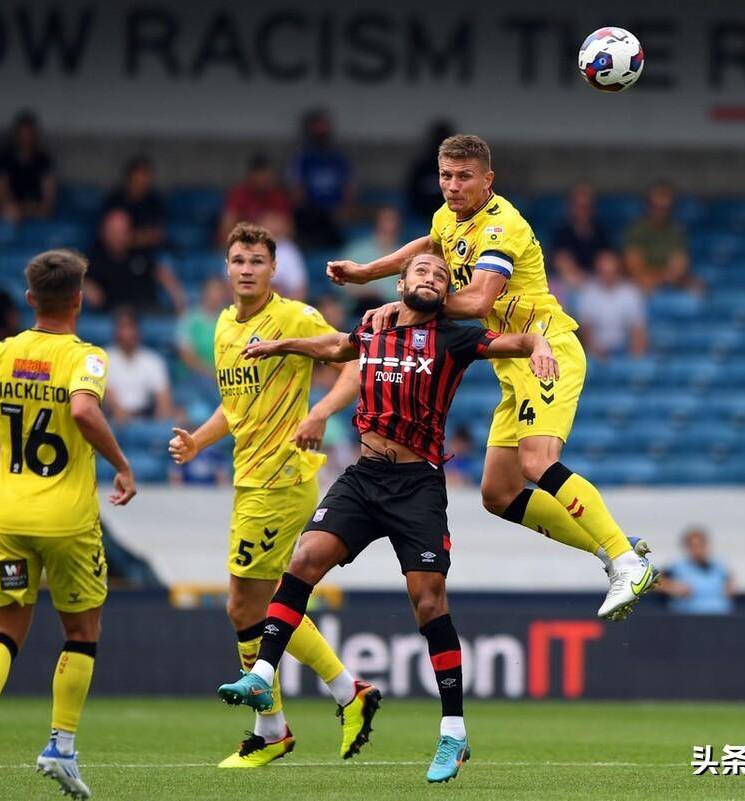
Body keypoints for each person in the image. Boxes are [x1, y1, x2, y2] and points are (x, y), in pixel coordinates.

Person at [214, 252, 559, 783]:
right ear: (401, 283)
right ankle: (262, 672)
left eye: (440, 276)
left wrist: (539, 346)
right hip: (364, 476)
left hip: (417, 485)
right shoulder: (373, 327)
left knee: (428, 604)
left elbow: (513, 342)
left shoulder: (455, 338)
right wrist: (281, 345)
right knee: (304, 560)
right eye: (421, 271)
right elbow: (334, 347)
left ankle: (454, 735)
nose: (430, 277)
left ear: (445, 294)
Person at [326, 134, 657, 621]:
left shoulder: (503, 225)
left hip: (545, 349)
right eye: (445, 176)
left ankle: (627, 562)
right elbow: (431, 245)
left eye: (464, 177)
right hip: (511, 366)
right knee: (498, 495)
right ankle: (611, 545)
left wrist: (403, 304)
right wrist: (367, 272)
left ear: (488, 180)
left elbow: (479, 301)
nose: (453, 186)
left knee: (537, 462)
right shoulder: (447, 216)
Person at [167, 222, 375, 768]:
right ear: (226, 267)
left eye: (257, 261)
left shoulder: (294, 318)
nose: (246, 269)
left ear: (273, 269)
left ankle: (270, 729)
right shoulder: (221, 328)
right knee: (265, 605)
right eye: (238, 260)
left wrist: (319, 413)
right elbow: (232, 409)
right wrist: (197, 440)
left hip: (282, 479)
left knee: (242, 603)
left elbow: (354, 362)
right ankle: (348, 693)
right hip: (249, 479)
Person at [0, 248, 137, 799]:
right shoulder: (85, 358)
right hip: (67, 523)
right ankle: (60, 747)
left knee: (5, 629)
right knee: (81, 632)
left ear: (29, 300)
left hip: (10, 517)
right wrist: (121, 465)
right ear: (78, 300)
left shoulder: (1, 353)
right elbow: (85, 412)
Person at [84, 208, 185, 312]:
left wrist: (179, 300)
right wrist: (85, 286)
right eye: (113, 232)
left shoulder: (141, 253)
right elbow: (75, 279)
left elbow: (162, 274)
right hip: (109, 315)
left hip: (145, 313)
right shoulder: (94, 257)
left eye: (122, 232)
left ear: (129, 232)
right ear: (103, 232)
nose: (117, 237)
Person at [288, 109, 353, 249]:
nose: (320, 131)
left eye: (323, 127)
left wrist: (343, 210)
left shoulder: (337, 156)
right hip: (310, 216)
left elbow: (348, 187)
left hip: (334, 217)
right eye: (317, 127)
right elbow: (297, 190)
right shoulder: (303, 157)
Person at [623, 181, 700, 294]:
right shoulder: (636, 230)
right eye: (655, 207)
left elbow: (679, 268)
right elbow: (635, 269)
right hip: (641, 283)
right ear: (648, 206)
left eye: (665, 208)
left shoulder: (676, 231)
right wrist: (662, 276)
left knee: (698, 289)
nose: (660, 212)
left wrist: (661, 278)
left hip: (670, 281)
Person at [104, 309, 176, 423]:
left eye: (131, 327)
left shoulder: (153, 360)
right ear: (116, 331)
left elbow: (163, 398)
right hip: (113, 420)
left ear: (138, 330)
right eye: (123, 327)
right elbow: (107, 394)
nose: (128, 333)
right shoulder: (103, 358)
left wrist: (161, 421)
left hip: (144, 418)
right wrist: (120, 415)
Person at [575, 250, 647, 360]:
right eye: (603, 271)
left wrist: (634, 358)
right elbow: (586, 330)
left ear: (618, 270)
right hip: (596, 351)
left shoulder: (630, 292)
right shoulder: (587, 292)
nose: (607, 275)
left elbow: (638, 329)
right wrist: (596, 351)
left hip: (624, 350)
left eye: (610, 271)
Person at [338, 205, 403, 311]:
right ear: (376, 222)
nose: (390, 224)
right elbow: (340, 285)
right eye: (386, 219)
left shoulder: (406, 255)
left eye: (394, 220)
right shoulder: (356, 250)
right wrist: (364, 291)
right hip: (358, 308)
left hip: (392, 310)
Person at [217, 154, 292, 246]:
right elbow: (226, 228)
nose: (261, 178)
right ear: (250, 174)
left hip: (271, 246)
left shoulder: (276, 195)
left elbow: (288, 228)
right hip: (242, 245)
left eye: (264, 173)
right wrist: (258, 227)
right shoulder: (239, 194)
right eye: (257, 173)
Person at [659, 527, 734, 615]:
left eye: (700, 545)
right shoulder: (677, 566)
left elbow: (730, 583)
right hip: (691, 617)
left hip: (719, 615)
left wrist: (729, 588)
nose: (697, 550)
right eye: (693, 546)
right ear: (687, 547)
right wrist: (673, 587)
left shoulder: (718, 566)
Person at [176, 275, 229, 397]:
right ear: (204, 292)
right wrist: (213, 374)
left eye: (220, 291)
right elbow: (187, 357)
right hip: (193, 378)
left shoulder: (228, 320)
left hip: (222, 379)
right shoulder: (189, 318)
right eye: (214, 290)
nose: (218, 295)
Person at [551, 182, 610, 287]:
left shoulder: (601, 232)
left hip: (596, 283)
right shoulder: (561, 232)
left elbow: (606, 260)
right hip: (567, 282)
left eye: (586, 206)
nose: (582, 211)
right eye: (579, 206)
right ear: (571, 207)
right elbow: (559, 260)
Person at [101, 156, 166, 252]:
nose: (140, 184)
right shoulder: (114, 199)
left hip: (148, 254)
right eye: (136, 180)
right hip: (115, 254)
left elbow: (157, 235)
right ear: (129, 179)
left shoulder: (155, 201)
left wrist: (128, 239)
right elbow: (107, 235)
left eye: (144, 180)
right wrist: (137, 238)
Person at [0, 111, 56, 220]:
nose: (25, 140)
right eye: (22, 135)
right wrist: (15, 207)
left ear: (35, 136)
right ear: (16, 135)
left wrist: (29, 208)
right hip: (11, 210)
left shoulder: (43, 161)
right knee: (9, 212)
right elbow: (2, 191)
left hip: (35, 211)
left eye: (29, 135)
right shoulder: (5, 158)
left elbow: (48, 199)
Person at [404, 120, 454, 222]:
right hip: (422, 217)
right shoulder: (422, 167)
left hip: (452, 218)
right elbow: (411, 195)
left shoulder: (460, 169)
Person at [258, 211, 307, 300]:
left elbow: (299, 289)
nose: (271, 226)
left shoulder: (289, 251)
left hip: (283, 305)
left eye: (274, 221)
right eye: (268, 221)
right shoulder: (248, 248)